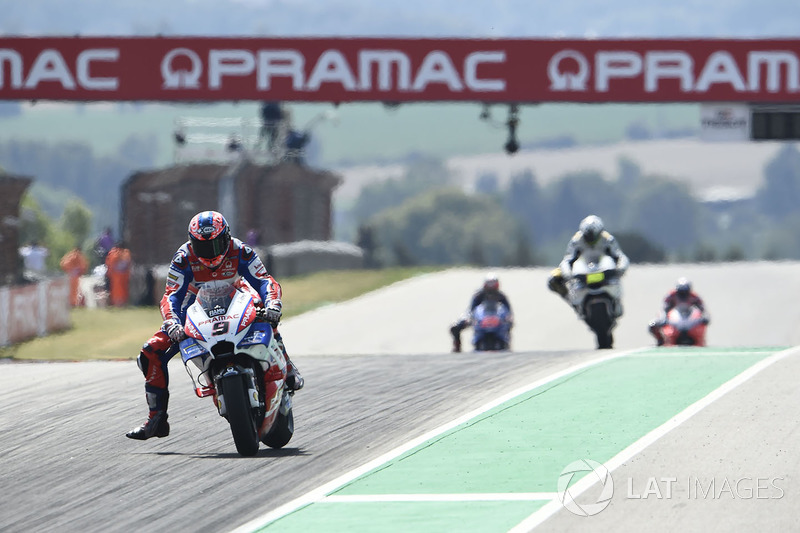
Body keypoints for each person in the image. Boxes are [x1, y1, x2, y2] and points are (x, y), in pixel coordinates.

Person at [126, 210, 304, 440]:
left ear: (227, 237)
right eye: (202, 246)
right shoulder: (183, 258)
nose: (210, 252)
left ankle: (286, 364)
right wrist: (172, 323)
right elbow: (171, 295)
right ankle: (157, 418)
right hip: (195, 308)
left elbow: (264, 280)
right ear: (192, 243)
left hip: (237, 298)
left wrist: (273, 304)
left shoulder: (241, 250)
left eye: (216, 244)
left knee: (264, 310)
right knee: (149, 351)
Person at [547, 215, 629, 316]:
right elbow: (567, 260)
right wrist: (568, 273)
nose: (591, 239)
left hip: (604, 268)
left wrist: (621, 268)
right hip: (583, 269)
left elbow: (620, 256)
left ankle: (616, 301)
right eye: (588, 236)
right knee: (553, 279)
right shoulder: (576, 240)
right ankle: (574, 302)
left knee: (616, 278)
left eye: (594, 236)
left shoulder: (607, 239)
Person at [449, 273, 513, 353]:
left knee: (508, 325)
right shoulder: (478, 295)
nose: (491, 288)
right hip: (481, 319)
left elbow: (508, 310)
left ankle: (507, 344)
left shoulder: (501, 296)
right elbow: (471, 309)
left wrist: (508, 318)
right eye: (489, 284)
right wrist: (468, 318)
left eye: (493, 284)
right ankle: (457, 347)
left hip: (496, 320)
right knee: (455, 327)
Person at [648, 277, 710, 346]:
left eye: (685, 291)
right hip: (674, 318)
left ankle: (699, 342)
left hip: (689, 318)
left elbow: (703, 309)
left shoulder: (694, 297)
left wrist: (705, 317)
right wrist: (663, 318)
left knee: (702, 323)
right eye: (681, 291)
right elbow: (664, 309)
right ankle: (660, 341)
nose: (683, 294)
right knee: (652, 324)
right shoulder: (671, 295)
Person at [105, 242, 132, 307]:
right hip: (118, 274)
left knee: (120, 289)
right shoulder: (118, 253)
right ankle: (118, 303)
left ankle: (120, 302)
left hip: (120, 275)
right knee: (118, 289)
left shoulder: (120, 253)